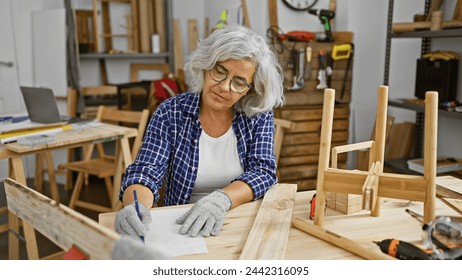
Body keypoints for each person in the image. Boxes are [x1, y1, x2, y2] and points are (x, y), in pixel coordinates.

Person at [114, 25, 284, 240]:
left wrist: (221, 200)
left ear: (250, 89)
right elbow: (146, 172)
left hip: (239, 222)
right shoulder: (170, 112)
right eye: (220, 71)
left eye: (239, 82)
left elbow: (264, 172)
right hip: (182, 227)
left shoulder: (257, 115)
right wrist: (135, 205)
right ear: (205, 65)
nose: (225, 87)